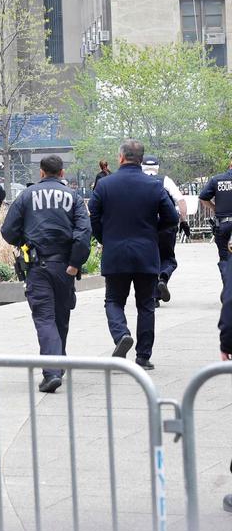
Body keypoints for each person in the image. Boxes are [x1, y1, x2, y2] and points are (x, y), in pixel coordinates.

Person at [1, 155, 91, 393]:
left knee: (44, 318)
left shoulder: (26, 196)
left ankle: (52, 371)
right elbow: (83, 233)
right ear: (62, 173)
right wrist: (74, 263)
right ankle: (57, 364)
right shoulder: (74, 198)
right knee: (61, 317)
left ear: (41, 173)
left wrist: (25, 241)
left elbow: (8, 231)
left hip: (38, 266)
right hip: (65, 267)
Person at [88, 140, 180, 370]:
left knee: (113, 301)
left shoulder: (105, 185)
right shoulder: (154, 186)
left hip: (115, 252)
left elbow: (94, 218)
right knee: (146, 305)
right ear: (141, 159)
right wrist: (151, 232)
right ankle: (143, 357)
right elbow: (171, 218)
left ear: (120, 158)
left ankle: (121, 335)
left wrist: (105, 238)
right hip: (146, 253)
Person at [141, 155, 187, 303]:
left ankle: (153, 297)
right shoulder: (165, 180)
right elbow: (180, 200)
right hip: (166, 226)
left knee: (148, 260)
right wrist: (184, 221)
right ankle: (163, 277)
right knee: (168, 258)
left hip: (144, 227)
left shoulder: (137, 181)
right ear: (157, 167)